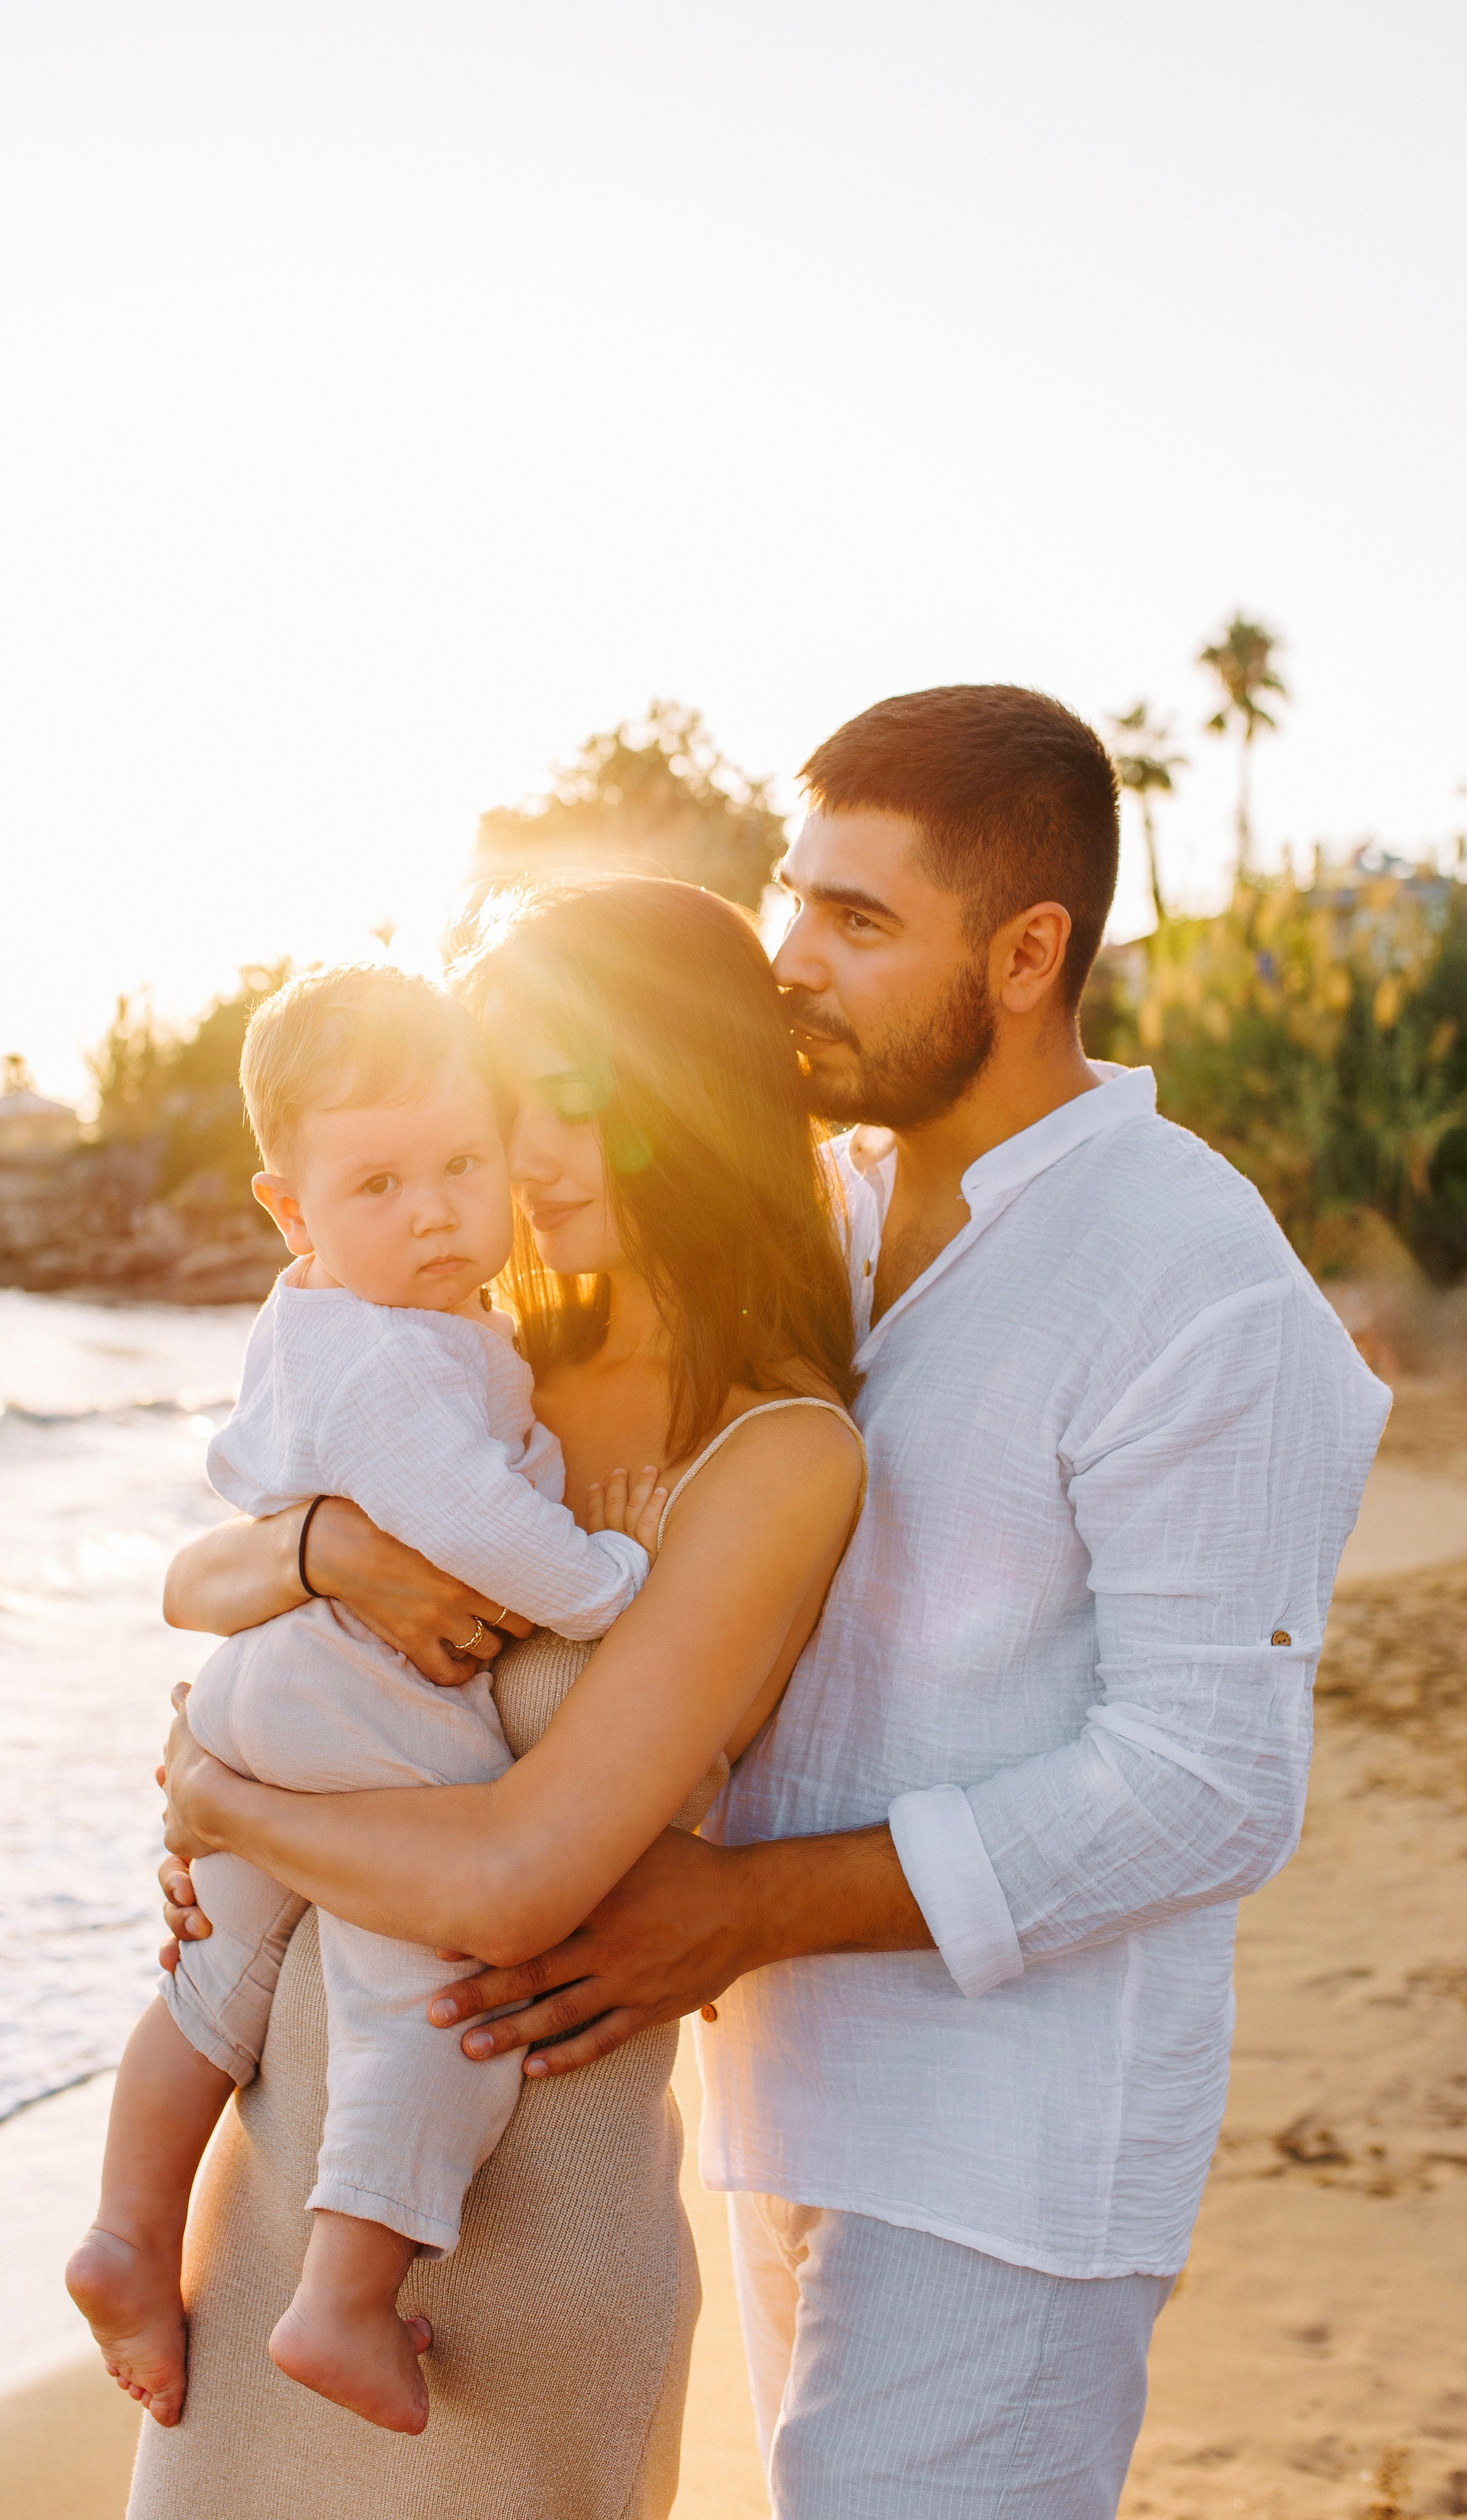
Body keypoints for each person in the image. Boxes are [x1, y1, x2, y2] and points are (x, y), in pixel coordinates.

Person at [164, 684, 1390, 2518]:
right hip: (750, 2097)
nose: (795, 964)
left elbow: (1213, 1780)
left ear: (1030, 953)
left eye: (860, 923)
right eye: (793, 900)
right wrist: (309, 1572)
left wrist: (742, 1906)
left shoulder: (1192, 1275)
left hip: (1005, 2138)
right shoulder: (832, 1216)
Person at [129, 876, 867, 2520]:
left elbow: (519, 1878)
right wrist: (328, 1553)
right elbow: (195, 1582)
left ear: (686, 1093)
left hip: (524, 2256)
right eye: (497, 1107)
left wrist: (231, 1807)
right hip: (283, 2193)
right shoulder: (481, 1359)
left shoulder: (778, 1455)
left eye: (571, 1099)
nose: (521, 1160)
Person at [68, 961, 671, 2438]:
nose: (433, 1211)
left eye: (462, 1167)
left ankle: (129, 2235)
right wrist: (615, 1583)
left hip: (271, 1688)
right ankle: (346, 2290)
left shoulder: (349, 1321)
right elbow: (482, 1529)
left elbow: (229, 1561)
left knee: (222, 1974)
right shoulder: (395, 1358)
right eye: (381, 1183)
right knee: (434, 1981)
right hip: (350, 1693)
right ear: (292, 1213)